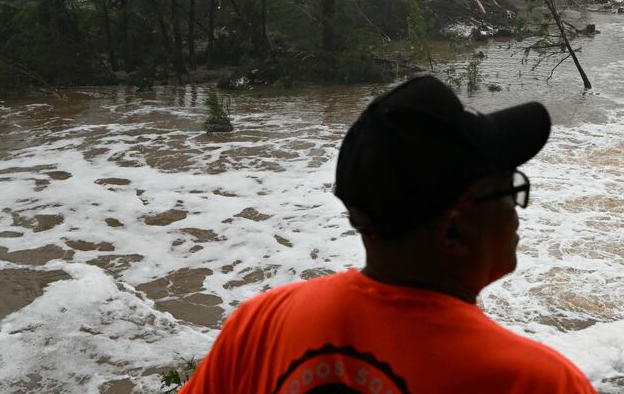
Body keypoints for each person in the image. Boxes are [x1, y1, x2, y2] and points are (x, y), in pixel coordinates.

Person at [180, 75, 595, 394]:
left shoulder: (261, 324)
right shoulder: (534, 381)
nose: (517, 213)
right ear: (454, 232)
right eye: (511, 189)